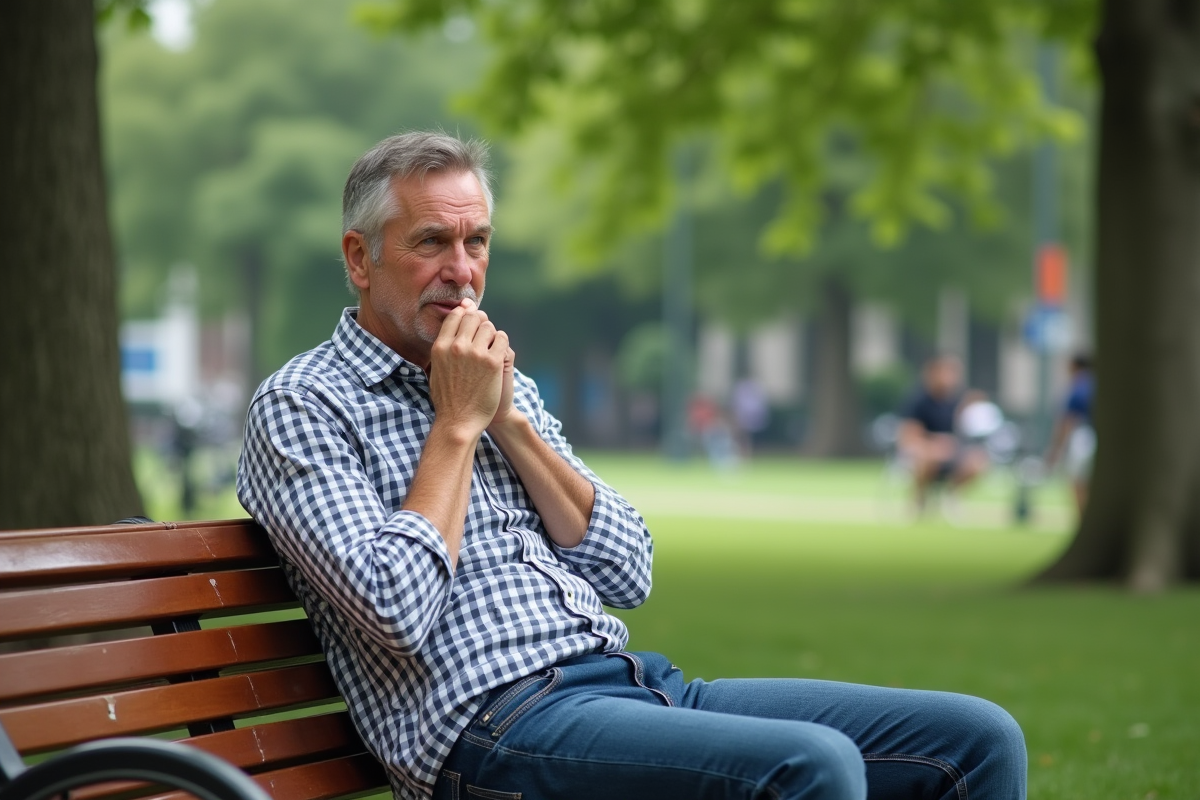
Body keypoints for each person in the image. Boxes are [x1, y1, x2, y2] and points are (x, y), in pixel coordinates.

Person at [237, 132, 1026, 800]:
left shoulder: (498, 384)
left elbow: (628, 569)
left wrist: (509, 421)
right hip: (491, 729)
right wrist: (455, 426)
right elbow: (393, 615)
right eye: (431, 242)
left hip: (630, 684)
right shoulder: (304, 406)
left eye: (476, 242)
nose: (463, 269)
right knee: (808, 770)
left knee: (978, 740)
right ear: (359, 258)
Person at [896, 354, 990, 513]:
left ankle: (952, 494)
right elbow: (909, 437)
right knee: (926, 457)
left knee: (978, 460)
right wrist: (934, 445)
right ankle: (919, 499)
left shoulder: (956, 401)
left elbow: (964, 432)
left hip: (953, 451)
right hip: (926, 452)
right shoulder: (917, 401)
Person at [1044, 353, 1095, 517]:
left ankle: (1084, 518)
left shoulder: (1078, 387)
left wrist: (1055, 450)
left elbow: (1067, 421)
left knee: (1078, 482)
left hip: (1084, 437)